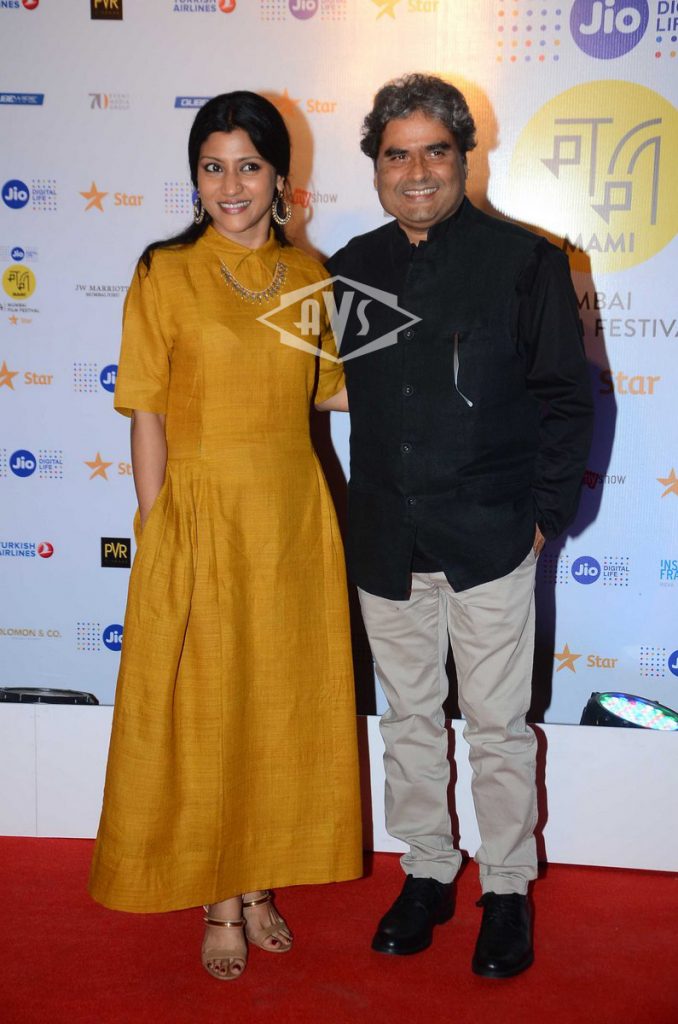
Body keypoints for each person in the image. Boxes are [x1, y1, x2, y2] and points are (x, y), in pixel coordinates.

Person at [88, 91, 362, 982]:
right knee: (208, 706)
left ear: (282, 178)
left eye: (250, 166)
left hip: (291, 516)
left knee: (279, 703)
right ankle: (220, 899)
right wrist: (156, 519)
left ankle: (259, 878)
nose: (231, 185)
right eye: (214, 167)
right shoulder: (165, 272)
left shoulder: (311, 275)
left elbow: (333, 391)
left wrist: (440, 356)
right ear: (195, 177)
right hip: (200, 510)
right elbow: (147, 409)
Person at [327, 74, 593, 977]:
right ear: (375, 167)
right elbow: (341, 392)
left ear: (464, 156)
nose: (416, 172)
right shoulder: (351, 268)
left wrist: (542, 520)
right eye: (395, 155)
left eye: (433, 151)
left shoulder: (525, 262)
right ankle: (428, 870)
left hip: (490, 538)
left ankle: (507, 888)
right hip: (386, 539)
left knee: (497, 728)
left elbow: (566, 400)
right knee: (406, 719)